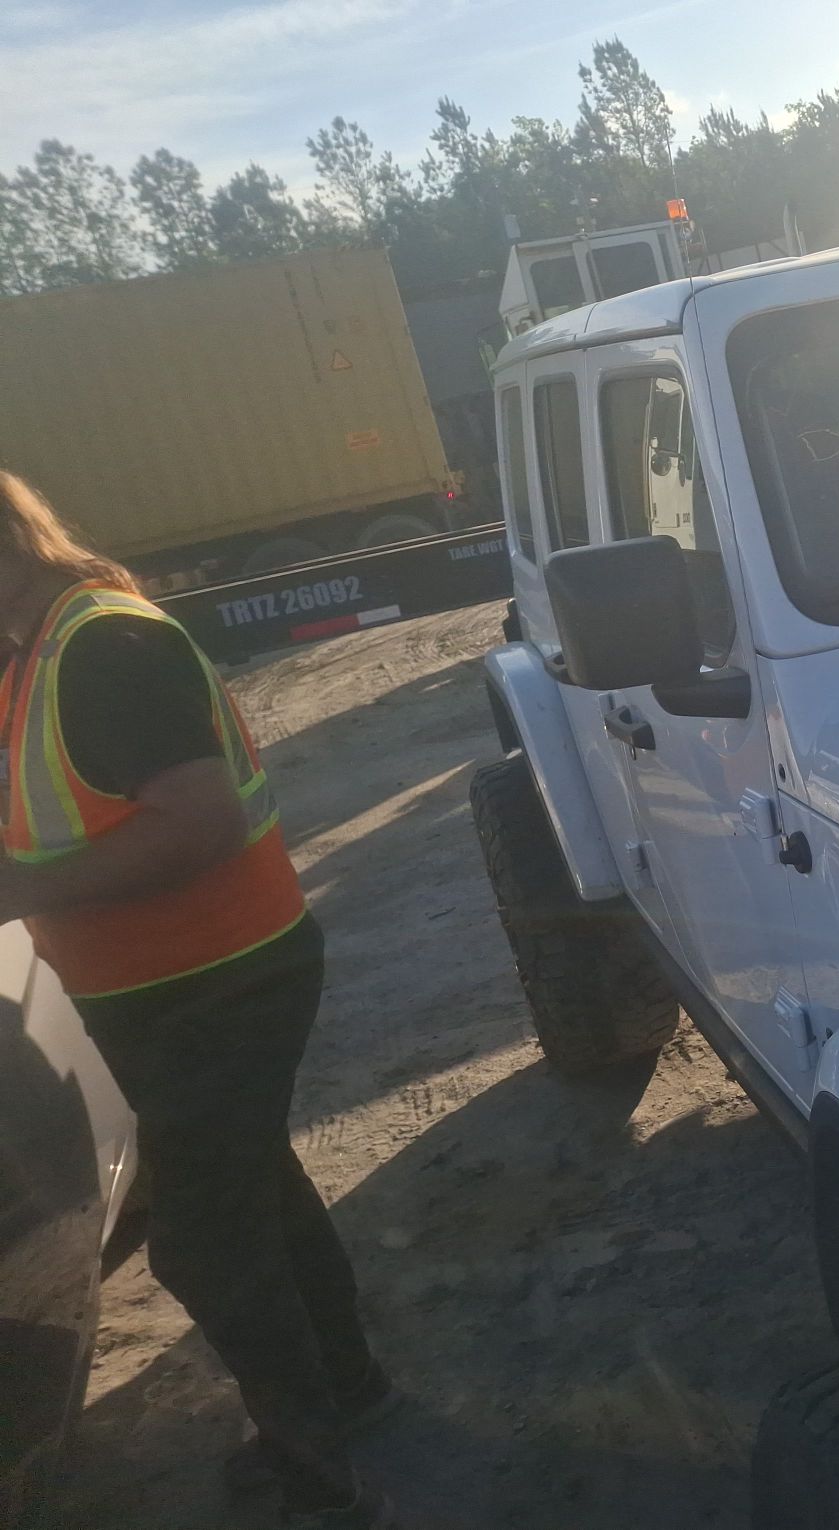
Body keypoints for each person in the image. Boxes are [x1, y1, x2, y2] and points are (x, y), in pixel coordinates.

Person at [0, 471, 396, 1529]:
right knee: (258, 1187)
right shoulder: (36, 653)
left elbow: (200, 822)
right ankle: (351, 1388)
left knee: (206, 1244)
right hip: (168, 991)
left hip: (220, 986)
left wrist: (21, 889)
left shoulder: (104, 647)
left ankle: (321, 1486)